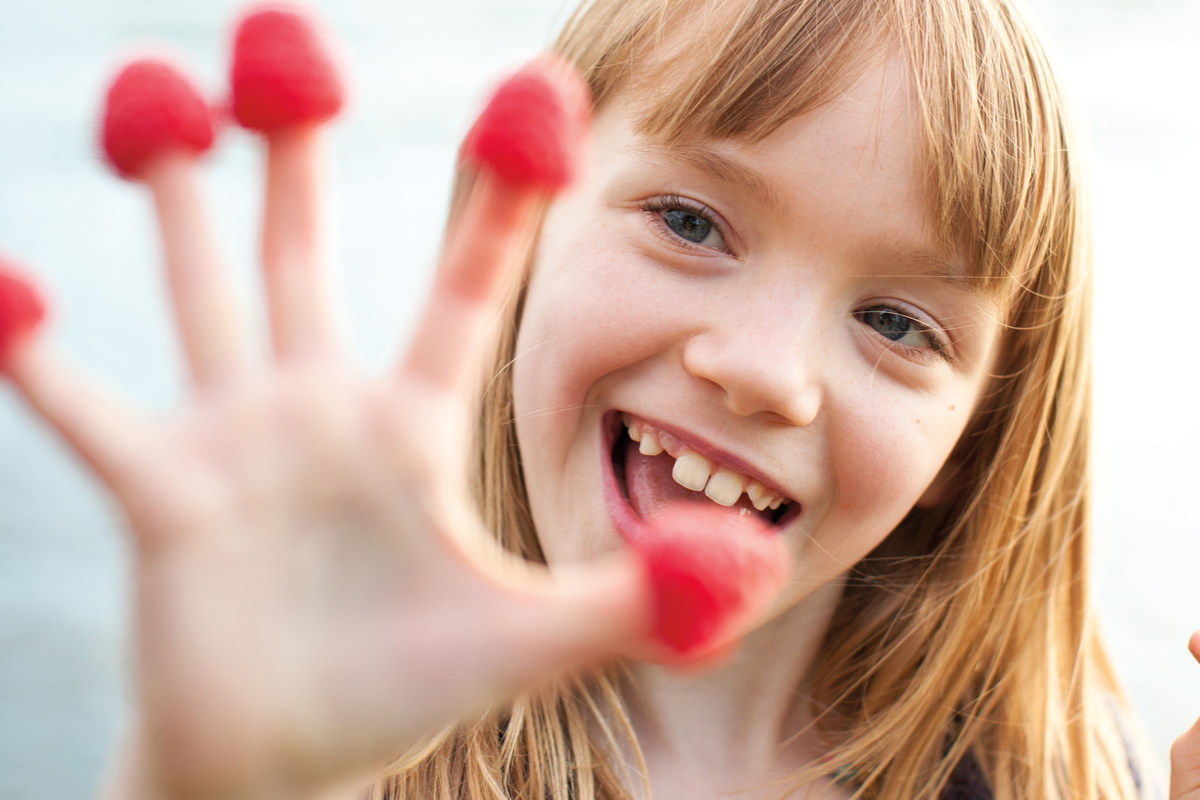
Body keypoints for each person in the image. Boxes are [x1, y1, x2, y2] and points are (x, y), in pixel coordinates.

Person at [2, 0, 1199, 798]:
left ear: (978, 430)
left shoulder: (1062, 771)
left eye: (896, 323)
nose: (765, 370)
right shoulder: (347, 755)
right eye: (689, 222)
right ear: (512, 225)